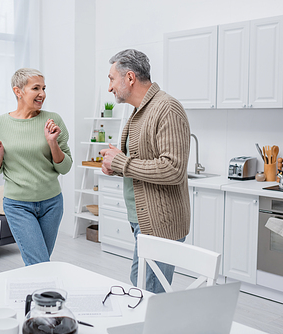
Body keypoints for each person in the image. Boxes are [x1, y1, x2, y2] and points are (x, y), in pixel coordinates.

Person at [99, 49, 191, 293]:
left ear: (129, 78)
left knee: (149, 294)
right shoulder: (139, 111)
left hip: (160, 223)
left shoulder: (167, 108)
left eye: (111, 79)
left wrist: (121, 163)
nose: (109, 88)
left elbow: (173, 169)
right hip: (142, 221)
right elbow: (140, 162)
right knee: (141, 287)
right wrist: (116, 165)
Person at [0, 68, 73, 266]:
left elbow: (65, 167)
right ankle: (44, 296)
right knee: (39, 263)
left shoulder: (53, 120)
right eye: (36, 88)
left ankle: (33, 296)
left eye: (44, 88)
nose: (42, 93)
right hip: (18, 205)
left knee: (39, 263)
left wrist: (52, 143)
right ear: (18, 91)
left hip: (52, 204)